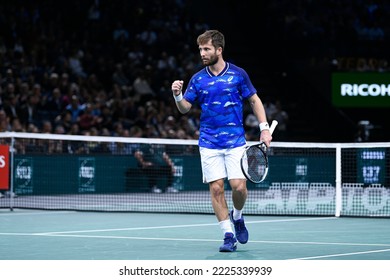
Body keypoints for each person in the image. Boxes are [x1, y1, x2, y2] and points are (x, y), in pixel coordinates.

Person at [171, 30, 272, 252]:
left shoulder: (238, 74)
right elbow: (184, 109)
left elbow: (254, 100)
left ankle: (238, 216)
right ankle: (228, 235)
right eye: (200, 49)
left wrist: (264, 129)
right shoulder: (197, 79)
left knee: (239, 187)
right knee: (216, 189)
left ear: (219, 50)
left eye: (206, 49)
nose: (202, 53)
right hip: (208, 143)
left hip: (235, 142)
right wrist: (177, 95)